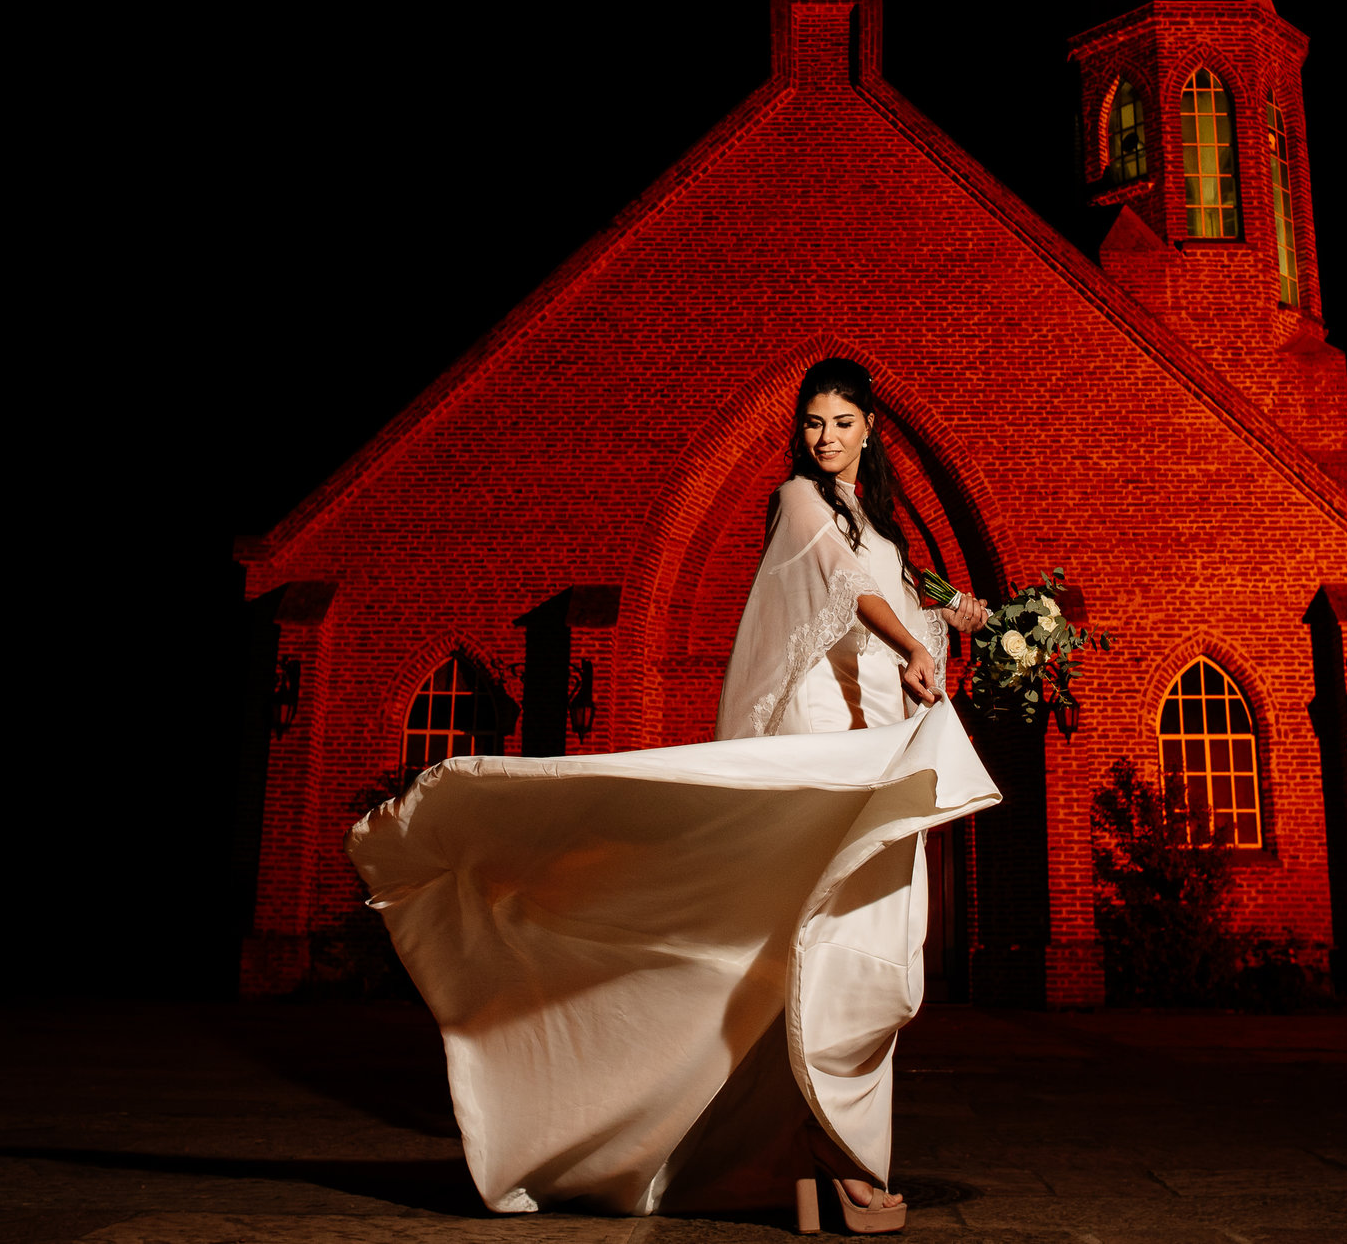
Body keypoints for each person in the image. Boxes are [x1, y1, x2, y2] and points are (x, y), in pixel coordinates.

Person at [348, 358, 998, 1232]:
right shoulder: (800, 500)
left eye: (841, 422)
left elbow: (897, 590)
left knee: (862, 936)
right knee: (842, 940)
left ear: (869, 428)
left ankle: (802, 1150)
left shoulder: (877, 523)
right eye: (812, 421)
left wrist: (970, 620)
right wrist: (909, 638)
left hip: (877, 739)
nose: (825, 437)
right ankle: (843, 1157)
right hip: (825, 742)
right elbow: (852, 591)